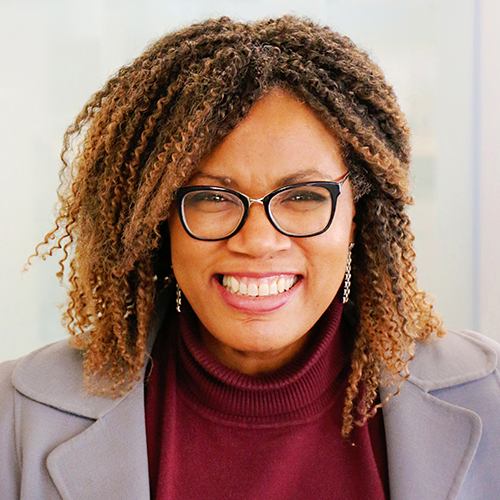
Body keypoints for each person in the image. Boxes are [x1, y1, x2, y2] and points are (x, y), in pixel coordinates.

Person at [1, 15, 499, 500]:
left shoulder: (489, 396)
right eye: (212, 198)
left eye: (303, 196)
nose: (259, 241)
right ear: (160, 222)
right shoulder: (15, 420)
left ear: (357, 218)